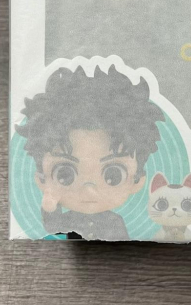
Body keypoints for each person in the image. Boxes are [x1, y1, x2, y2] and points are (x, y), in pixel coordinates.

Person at [16, 64, 164, 240]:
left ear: (137, 181)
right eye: (64, 174)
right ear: (41, 179)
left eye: (113, 175)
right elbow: (53, 229)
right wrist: (50, 208)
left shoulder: (114, 222)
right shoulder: (67, 220)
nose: (89, 191)